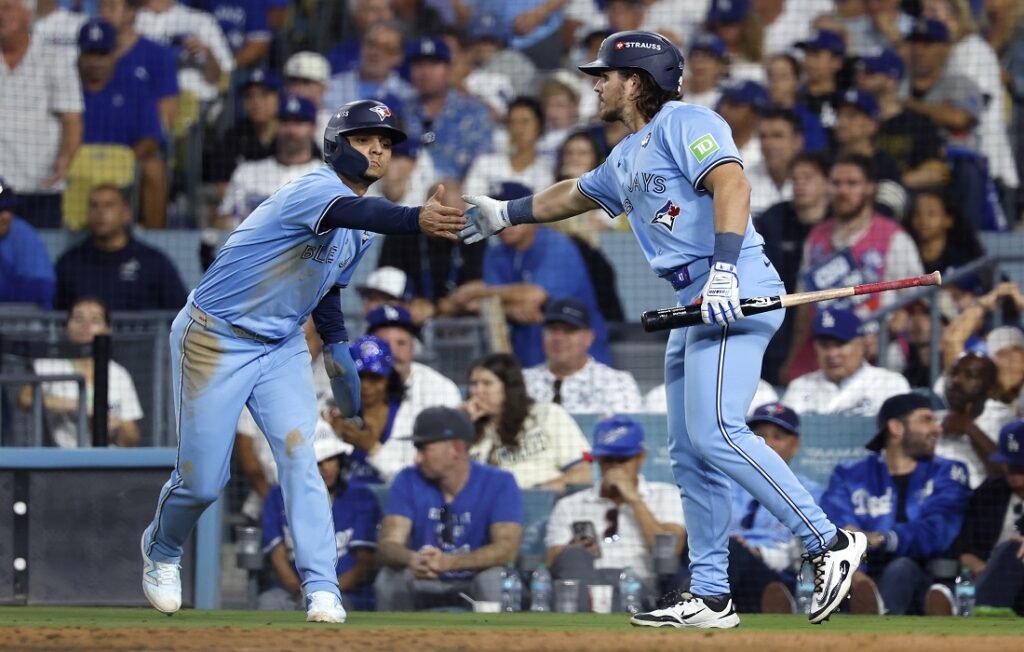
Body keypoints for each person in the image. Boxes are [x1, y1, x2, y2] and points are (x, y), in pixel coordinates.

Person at [457, 30, 867, 628]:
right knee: (689, 453)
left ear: (638, 80)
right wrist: (506, 213)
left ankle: (828, 542)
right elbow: (576, 193)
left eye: (605, 74)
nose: (595, 83)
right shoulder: (626, 151)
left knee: (719, 433)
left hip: (732, 284)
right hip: (693, 296)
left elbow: (733, 184)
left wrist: (725, 271)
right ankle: (711, 593)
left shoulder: (686, 120)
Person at [138, 98, 466, 623]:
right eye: (364, 139)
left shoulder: (361, 228)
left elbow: (328, 290)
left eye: (385, 142)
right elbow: (354, 211)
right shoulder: (316, 188)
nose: (378, 148)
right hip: (215, 337)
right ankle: (163, 549)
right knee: (203, 481)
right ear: (338, 144)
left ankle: (322, 588)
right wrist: (415, 218)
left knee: (302, 461)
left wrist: (336, 349)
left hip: (281, 344)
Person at [820, 393, 971, 615]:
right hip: (859, 572)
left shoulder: (948, 472)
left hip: (925, 575)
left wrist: (883, 539)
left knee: (901, 568)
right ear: (896, 428)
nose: (937, 429)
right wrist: (856, 573)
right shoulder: (850, 475)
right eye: (926, 419)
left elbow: (937, 530)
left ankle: (877, 624)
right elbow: (835, 521)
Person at [374, 406, 523, 611]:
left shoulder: (499, 482)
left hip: (474, 579)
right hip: (422, 578)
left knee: (494, 579)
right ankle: (389, 642)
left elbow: (507, 549)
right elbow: (389, 543)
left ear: (456, 449)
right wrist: (413, 559)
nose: (417, 458)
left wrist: (450, 562)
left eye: (424, 449)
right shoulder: (407, 479)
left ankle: (497, 642)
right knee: (389, 579)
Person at [544, 415, 686, 604]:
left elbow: (671, 551)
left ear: (640, 456)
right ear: (597, 459)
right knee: (573, 556)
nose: (615, 467)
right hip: (586, 586)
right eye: (608, 460)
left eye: (623, 459)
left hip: (637, 588)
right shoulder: (571, 504)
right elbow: (552, 561)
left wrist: (634, 500)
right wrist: (574, 548)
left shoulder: (665, 495)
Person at [259, 433, 380, 612]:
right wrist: (300, 591)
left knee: (338, 607)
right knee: (268, 602)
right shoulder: (279, 497)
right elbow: (278, 558)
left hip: (345, 593)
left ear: (340, 461)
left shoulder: (361, 498)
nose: (326, 469)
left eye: (331, 460)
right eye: (318, 462)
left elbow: (363, 565)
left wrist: (324, 593)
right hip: (293, 593)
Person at [730, 403, 823, 614]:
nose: (766, 444)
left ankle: (692, 604)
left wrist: (758, 552)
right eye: (758, 436)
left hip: (775, 575)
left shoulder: (810, 492)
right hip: (725, 565)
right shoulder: (724, 485)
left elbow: (811, 550)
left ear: (795, 445)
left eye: (777, 437)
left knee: (731, 553)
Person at [0, 0, 83, 228]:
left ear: (28, 14)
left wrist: (66, 157)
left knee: (39, 252)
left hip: (40, 185)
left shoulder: (55, 59)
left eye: (7, 8)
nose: (1, 16)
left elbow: (72, 119)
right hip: (0, 186)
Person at [18, 296, 143, 448]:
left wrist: (116, 426)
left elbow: (132, 438)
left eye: (95, 320)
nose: (86, 325)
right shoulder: (48, 365)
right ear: (66, 326)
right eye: (78, 319)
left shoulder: (119, 373)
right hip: (65, 460)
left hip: (109, 460)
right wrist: (77, 405)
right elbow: (25, 398)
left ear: (107, 329)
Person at [78, 19, 168, 229]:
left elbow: (152, 139)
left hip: (122, 169)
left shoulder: (134, 87)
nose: (95, 62)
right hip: (77, 169)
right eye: (89, 54)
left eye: (101, 54)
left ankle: (156, 238)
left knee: (154, 168)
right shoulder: (66, 87)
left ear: (114, 54)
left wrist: (122, 160)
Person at [465, 353, 592, 493]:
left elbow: (584, 473)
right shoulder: (467, 429)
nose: (477, 391)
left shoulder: (547, 415)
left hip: (543, 502)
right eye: (473, 384)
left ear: (508, 388)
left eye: (487, 383)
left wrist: (543, 492)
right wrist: (460, 423)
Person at [755, 152, 830, 385]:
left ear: (827, 183)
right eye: (795, 179)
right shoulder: (773, 220)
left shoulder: (837, 224)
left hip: (821, 318)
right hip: (779, 317)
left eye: (808, 178)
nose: (799, 185)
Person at [54, 185, 187, 312]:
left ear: (126, 213)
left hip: (139, 336)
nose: (100, 212)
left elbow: (183, 316)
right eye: (94, 206)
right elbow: (54, 316)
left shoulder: (154, 262)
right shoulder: (69, 263)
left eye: (109, 205)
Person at [942, 420, 1024, 616]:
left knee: (1011, 550)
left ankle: (966, 613)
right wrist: (986, 570)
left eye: (1020, 465)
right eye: (1009, 464)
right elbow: (962, 547)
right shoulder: (991, 493)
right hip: (984, 578)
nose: (1012, 472)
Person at [217, 94, 323, 224]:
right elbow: (225, 220)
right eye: (285, 122)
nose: (291, 130)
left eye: (299, 122)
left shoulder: (331, 177)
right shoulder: (247, 172)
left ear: (313, 128)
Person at [523, 298, 642, 414]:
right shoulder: (523, 382)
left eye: (568, 331)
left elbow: (627, 430)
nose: (558, 338)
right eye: (553, 330)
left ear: (589, 337)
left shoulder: (615, 383)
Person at [783, 308, 911, 416]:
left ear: (862, 345)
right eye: (824, 345)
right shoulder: (799, 387)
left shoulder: (890, 384)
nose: (832, 354)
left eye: (840, 344)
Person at [135, 0, 234, 105]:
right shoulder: (131, 22)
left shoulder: (201, 21)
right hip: (144, 103)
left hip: (198, 107)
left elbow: (220, 78)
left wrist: (208, 54)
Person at [937, 353, 1012, 489]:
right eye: (953, 373)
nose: (956, 380)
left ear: (991, 389)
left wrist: (970, 429)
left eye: (969, 375)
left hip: (983, 504)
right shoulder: (933, 421)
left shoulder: (1003, 420)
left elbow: (1009, 472)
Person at [202, 68, 279, 191]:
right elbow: (222, 186)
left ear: (279, 99)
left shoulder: (291, 136)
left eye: (264, 94)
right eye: (249, 96)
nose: (256, 102)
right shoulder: (232, 138)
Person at [0, 179, 56, 308]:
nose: (6, 217)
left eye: (8, 209)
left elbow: (42, 290)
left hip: (20, 319)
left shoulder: (22, 234)